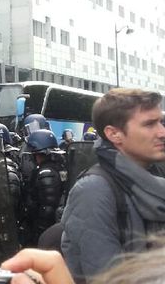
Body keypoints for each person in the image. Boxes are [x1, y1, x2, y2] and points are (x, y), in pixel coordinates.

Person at [61, 89, 165, 282]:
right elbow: (106, 278)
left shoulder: (156, 178)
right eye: (150, 124)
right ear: (114, 134)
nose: (162, 132)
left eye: (161, 122)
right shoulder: (93, 191)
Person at [24, 129, 67, 246]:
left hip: (47, 232)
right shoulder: (60, 167)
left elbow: (48, 208)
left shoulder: (46, 173)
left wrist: (38, 233)